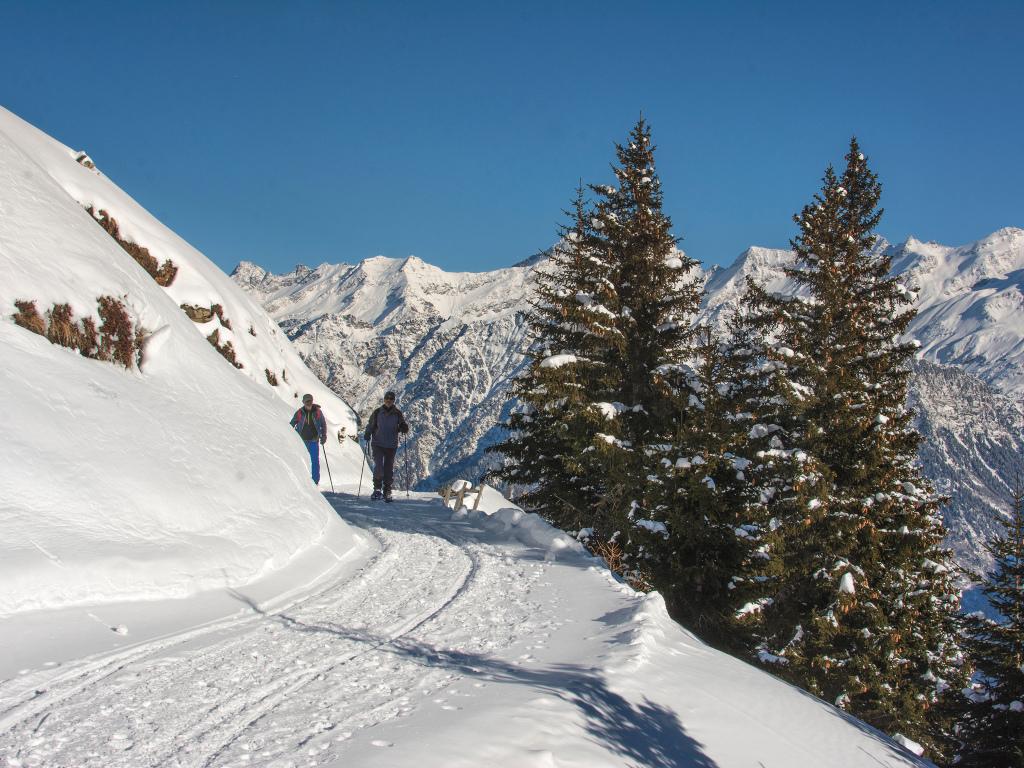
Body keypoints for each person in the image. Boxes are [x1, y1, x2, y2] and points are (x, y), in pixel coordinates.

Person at [363, 391, 409, 501]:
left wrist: (403, 427)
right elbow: (371, 424)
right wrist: (368, 433)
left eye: (391, 399)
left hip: (391, 445)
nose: (388, 401)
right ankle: (377, 489)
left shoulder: (397, 414)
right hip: (378, 443)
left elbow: (402, 424)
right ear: (384, 400)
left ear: (393, 401)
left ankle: (387, 490)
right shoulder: (377, 412)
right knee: (379, 466)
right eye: (387, 399)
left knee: (388, 468)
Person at [290, 393, 327, 485]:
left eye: (310, 401)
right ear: (303, 402)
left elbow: (323, 424)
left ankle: (315, 481)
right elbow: (291, 424)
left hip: (313, 440)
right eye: (307, 401)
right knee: (303, 460)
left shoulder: (318, 412)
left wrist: (324, 435)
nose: (309, 403)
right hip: (302, 441)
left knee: (314, 461)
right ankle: (303, 480)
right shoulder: (299, 413)